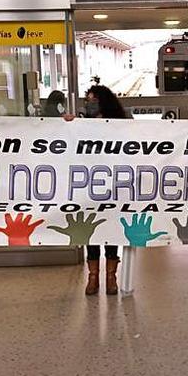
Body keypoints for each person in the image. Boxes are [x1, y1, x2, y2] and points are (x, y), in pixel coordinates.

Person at [63, 85, 130, 295]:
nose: (89, 104)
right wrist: (67, 125)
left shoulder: (123, 123)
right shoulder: (81, 123)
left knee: (111, 231)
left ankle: (111, 277)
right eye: (88, 100)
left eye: (94, 100)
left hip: (115, 186)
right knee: (90, 231)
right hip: (88, 186)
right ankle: (93, 276)